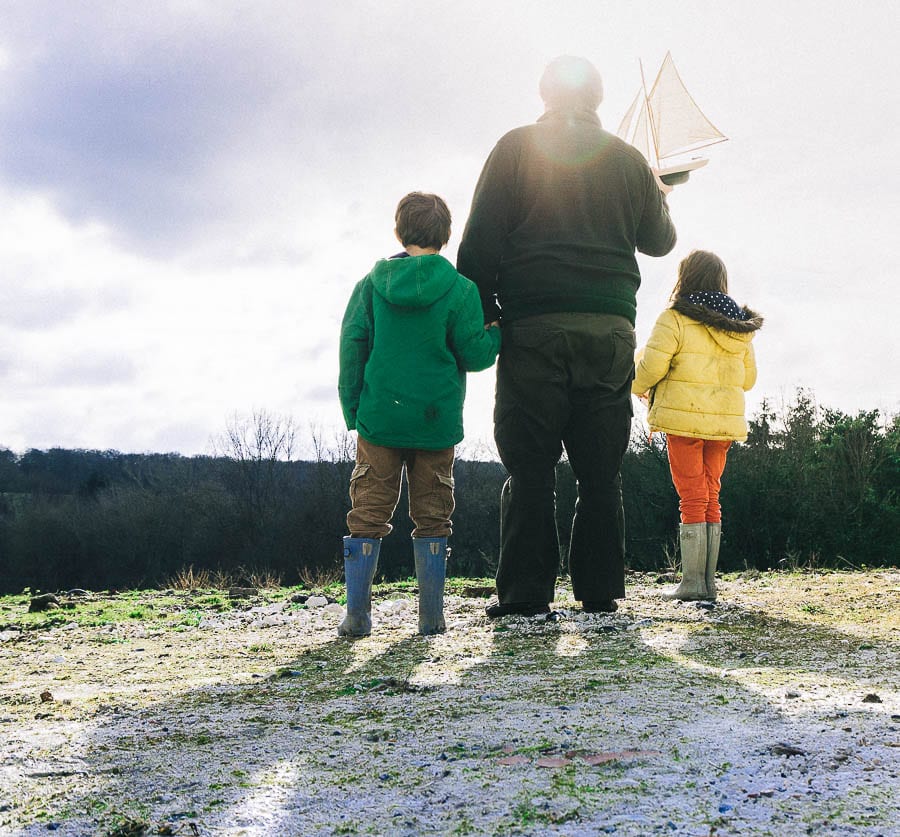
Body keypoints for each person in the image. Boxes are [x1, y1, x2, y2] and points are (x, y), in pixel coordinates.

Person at [457, 55, 676, 617]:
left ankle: (527, 595)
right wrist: (657, 190)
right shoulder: (629, 161)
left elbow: (477, 246)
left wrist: (488, 314)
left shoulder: (514, 147)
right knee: (601, 469)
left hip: (532, 329)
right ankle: (600, 593)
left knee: (529, 466)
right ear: (599, 100)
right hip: (609, 332)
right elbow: (660, 242)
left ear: (544, 93)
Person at [338, 191, 501, 636]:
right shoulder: (461, 290)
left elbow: (352, 347)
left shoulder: (371, 285)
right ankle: (431, 617)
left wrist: (355, 409)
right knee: (433, 515)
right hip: (436, 421)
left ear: (399, 230)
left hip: (380, 418)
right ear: (446, 237)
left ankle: (357, 616)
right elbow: (474, 355)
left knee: (367, 512)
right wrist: (496, 334)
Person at [632, 250, 762, 601]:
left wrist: (637, 383)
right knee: (711, 494)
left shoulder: (674, 318)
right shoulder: (739, 328)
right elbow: (748, 380)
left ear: (685, 278)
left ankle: (692, 584)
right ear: (721, 281)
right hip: (722, 425)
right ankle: (709, 584)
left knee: (691, 495)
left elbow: (649, 371)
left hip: (683, 420)